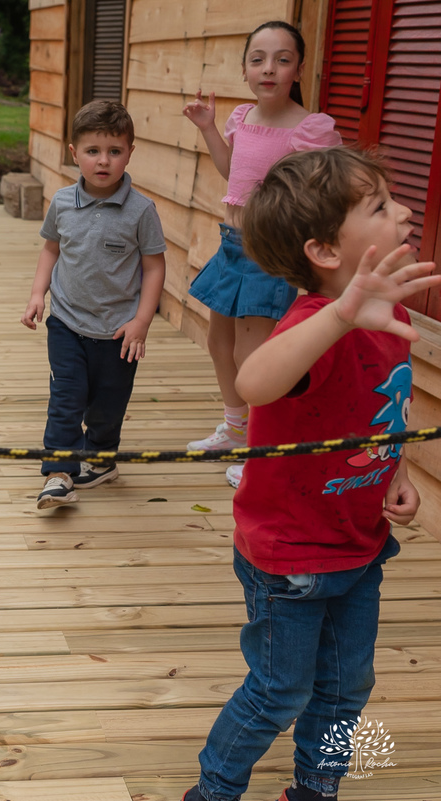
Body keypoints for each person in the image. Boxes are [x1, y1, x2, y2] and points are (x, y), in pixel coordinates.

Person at [181, 147, 438, 801]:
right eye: (380, 204)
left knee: (346, 686)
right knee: (279, 690)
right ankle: (213, 790)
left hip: (358, 544)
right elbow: (255, 381)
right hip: (289, 556)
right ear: (325, 250)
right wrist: (342, 314)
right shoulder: (309, 327)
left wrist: (396, 473)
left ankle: (314, 789)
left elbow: (385, 410)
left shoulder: (393, 314)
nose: (405, 209)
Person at [183, 21, 342, 488]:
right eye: (258, 59)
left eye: (282, 59)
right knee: (219, 344)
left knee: (256, 358)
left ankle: (262, 449)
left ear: (299, 69)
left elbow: (322, 195)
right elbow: (231, 170)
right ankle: (235, 429)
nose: (269, 68)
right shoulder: (242, 118)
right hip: (231, 245)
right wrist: (210, 129)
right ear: (245, 70)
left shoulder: (310, 129)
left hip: (269, 256)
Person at [21, 99, 167, 509]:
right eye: (92, 151)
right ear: (74, 154)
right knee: (66, 398)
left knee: (107, 404)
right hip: (67, 322)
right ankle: (59, 473)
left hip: (120, 331)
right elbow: (51, 249)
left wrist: (142, 321)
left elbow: (154, 268)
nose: (103, 161)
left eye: (114, 151)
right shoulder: (63, 202)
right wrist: (38, 294)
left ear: (130, 153)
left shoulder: (141, 212)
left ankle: (102, 461)